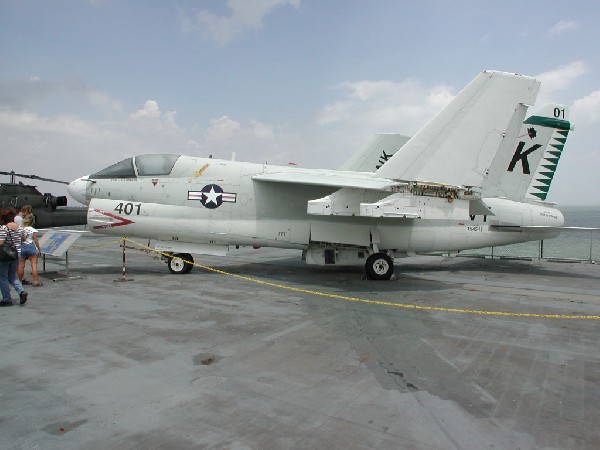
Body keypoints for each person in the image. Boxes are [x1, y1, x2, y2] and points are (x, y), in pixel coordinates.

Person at [0, 212, 28, 306]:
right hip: (16, 253)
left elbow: (1, 242)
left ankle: (7, 299)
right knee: (12, 276)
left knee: (3, 277)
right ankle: (21, 291)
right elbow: (23, 239)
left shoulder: (4, 228)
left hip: (5, 254)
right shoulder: (19, 227)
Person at [18, 214, 43, 287]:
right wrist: (39, 249)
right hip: (31, 246)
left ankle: (19, 281)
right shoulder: (32, 229)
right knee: (34, 265)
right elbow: (36, 241)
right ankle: (35, 281)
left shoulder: (20, 228)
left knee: (21, 265)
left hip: (22, 247)